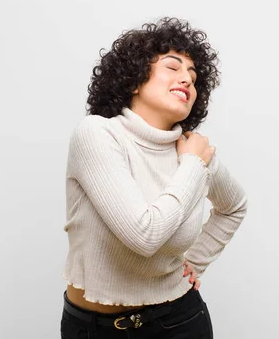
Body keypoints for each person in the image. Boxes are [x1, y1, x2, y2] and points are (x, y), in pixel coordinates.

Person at [60, 17, 248, 338]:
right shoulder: (98, 134)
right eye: (173, 67)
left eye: (193, 75)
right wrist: (191, 165)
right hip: (90, 328)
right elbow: (143, 235)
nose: (187, 79)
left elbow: (234, 206)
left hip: (177, 322)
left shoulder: (195, 153)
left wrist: (196, 263)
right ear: (134, 79)